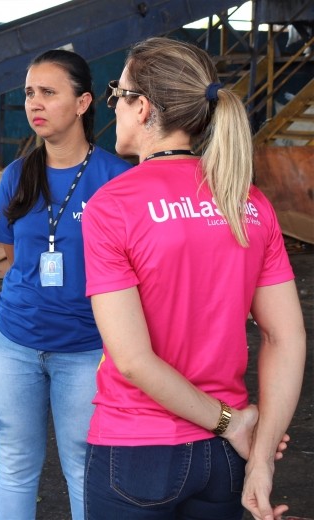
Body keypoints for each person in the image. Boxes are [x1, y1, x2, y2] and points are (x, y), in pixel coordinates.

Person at [82, 37, 306, 520]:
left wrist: (231, 424)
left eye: (116, 96)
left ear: (141, 108)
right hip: (224, 463)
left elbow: (135, 361)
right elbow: (285, 337)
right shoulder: (247, 201)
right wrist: (260, 455)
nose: (114, 108)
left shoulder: (112, 206)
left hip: (138, 449)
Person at [0, 50, 130, 520]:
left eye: (49, 92)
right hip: (13, 344)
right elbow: (14, 261)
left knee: (84, 467)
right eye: (29, 93)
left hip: (87, 350)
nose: (35, 103)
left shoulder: (117, 180)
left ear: (84, 102)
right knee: (15, 464)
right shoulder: (16, 176)